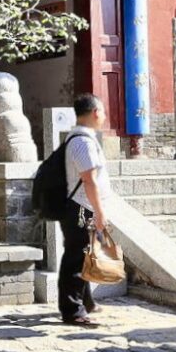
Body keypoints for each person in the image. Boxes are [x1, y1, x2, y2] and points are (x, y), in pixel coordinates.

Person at [59, 92, 112, 326]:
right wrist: (99, 212)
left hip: (84, 205)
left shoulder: (83, 138)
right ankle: (73, 310)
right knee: (76, 257)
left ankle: (86, 301)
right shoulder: (82, 142)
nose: (103, 116)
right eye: (102, 111)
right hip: (83, 207)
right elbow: (89, 180)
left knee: (85, 255)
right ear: (95, 112)